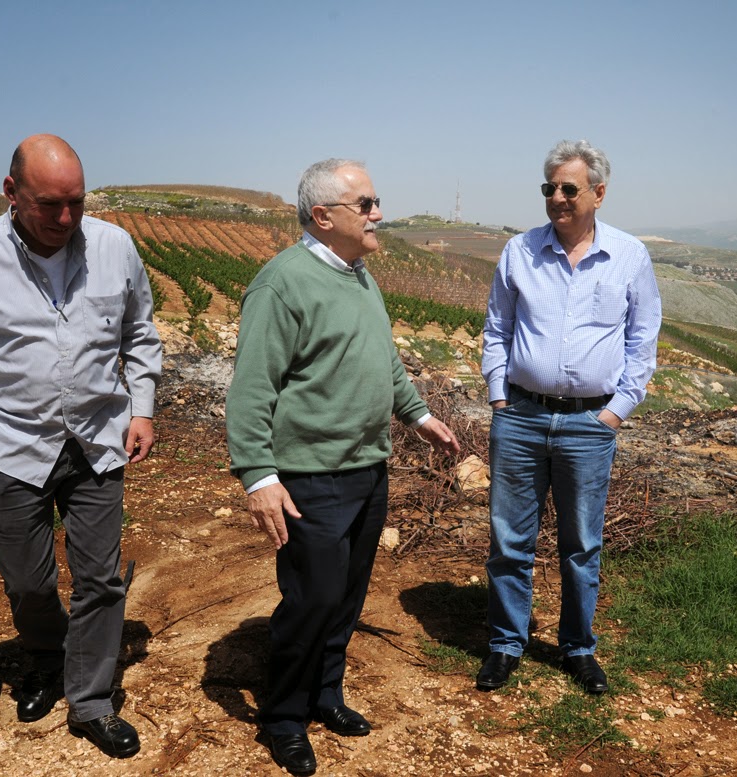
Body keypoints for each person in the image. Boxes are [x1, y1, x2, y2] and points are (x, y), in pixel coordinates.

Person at [0, 134, 162, 758]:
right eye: (50, 204)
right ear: (11, 192)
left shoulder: (114, 247)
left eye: (77, 201)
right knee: (26, 578)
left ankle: (91, 700)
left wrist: (142, 407)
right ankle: (47, 656)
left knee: (100, 579)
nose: (66, 218)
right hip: (14, 444)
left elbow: (140, 333)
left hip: (99, 439)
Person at [226, 158, 460, 775]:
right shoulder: (282, 284)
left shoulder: (359, 276)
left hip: (367, 467)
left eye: (376, 202)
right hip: (310, 476)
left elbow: (384, 359)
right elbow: (251, 389)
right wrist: (258, 476)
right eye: (367, 204)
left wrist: (417, 415)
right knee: (313, 599)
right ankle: (284, 716)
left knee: (346, 596)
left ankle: (325, 692)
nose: (379, 213)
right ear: (323, 216)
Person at [478, 140, 661, 696]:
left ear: (598, 193)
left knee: (581, 545)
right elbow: (497, 329)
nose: (557, 197)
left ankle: (578, 647)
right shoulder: (519, 251)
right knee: (510, 540)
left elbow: (642, 341)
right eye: (549, 188)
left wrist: (615, 412)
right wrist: (499, 397)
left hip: (589, 425)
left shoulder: (629, 256)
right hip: (520, 417)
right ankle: (506, 644)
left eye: (569, 188)